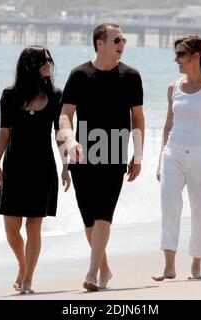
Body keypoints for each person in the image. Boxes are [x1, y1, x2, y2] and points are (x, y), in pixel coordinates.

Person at [59, 23, 145, 291]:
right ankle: (105, 269)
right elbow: (64, 115)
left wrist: (138, 155)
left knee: (103, 216)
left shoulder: (131, 76)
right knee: (89, 220)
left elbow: (138, 118)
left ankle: (92, 273)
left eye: (124, 40)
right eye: (117, 39)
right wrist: (69, 141)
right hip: (82, 154)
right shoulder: (79, 75)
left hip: (115, 151)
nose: (122, 43)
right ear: (100, 43)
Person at [0, 45, 70, 294]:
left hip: (42, 167)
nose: (48, 64)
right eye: (42, 60)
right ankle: (23, 265)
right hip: (14, 166)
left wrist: (66, 164)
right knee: (11, 228)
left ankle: (28, 280)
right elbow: (4, 132)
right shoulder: (10, 96)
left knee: (34, 226)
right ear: (29, 65)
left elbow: (60, 133)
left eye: (49, 60)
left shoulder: (56, 96)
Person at [153, 35, 201, 281]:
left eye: (180, 55)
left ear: (196, 57)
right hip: (172, 154)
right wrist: (159, 160)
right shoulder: (173, 87)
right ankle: (169, 266)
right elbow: (167, 125)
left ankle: (196, 265)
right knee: (169, 208)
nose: (176, 60)